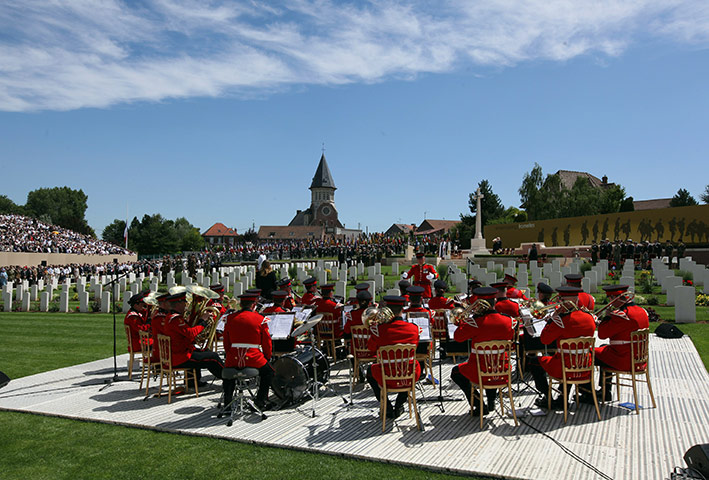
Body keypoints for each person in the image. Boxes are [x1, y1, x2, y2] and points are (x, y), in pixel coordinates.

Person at [527, 286, 596, 409]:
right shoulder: (589, 317)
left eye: (560, 300)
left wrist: (550, 321)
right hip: (585, 366)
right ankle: (563, 397)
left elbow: (544, 340)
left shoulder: (561, 321)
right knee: (569, 358)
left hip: (564, 367)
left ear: (564, 301)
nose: (558, 303)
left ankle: (548, 398)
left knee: (534, 361)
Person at [450, 287, 514, 416]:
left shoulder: (475, 323)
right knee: (493, 363)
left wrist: (463, 322)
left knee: (456, 373)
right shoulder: (509, 321)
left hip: (479, 370)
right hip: (502, 370)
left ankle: (479, 405)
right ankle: (491, 402)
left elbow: (457, 337)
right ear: (495, 300)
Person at [581, 284, 649, 403]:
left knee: (584, 354)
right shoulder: (641, 311)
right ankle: (605, 391)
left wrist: (607, 317)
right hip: (638, 359)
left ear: (614, 298)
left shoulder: (621, 315)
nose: (610, 303)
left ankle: (588, 392)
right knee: (603, 349)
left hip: (622, 359)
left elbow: (602, 334)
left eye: (610, 299)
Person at [366, 295, 422, 419]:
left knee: (370, 371)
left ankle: (386, 406)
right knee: (416, 366)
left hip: (386, 377)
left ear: (386, 309)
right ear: (403, 309)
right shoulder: (414, 329)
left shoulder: (379, 330)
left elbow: (370, 348)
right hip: (408, 376)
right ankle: (399, 404)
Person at [222, 292, 274, 411]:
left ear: (240, 304)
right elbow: (267, 342)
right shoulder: (260, 319)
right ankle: (260, 401)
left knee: (229, 372)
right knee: (269, 372)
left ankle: (227, 402)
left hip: (233, 357)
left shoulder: (229, 318)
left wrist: (230, 354)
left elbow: (226, 343)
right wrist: (267, 356)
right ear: (254, 304)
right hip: (253, 358)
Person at [162, 291, 224, 386]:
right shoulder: (175, 319)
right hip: (181, 357)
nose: (186, 304)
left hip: (178, 353)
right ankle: (229, 379)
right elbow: (190, 333)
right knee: (213, 357)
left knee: (204, 350)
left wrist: (197, 319)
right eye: (184, 302)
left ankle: (192, 382)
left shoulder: (172, 317)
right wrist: (203, 322)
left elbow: (186, 331)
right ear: (178, 304)